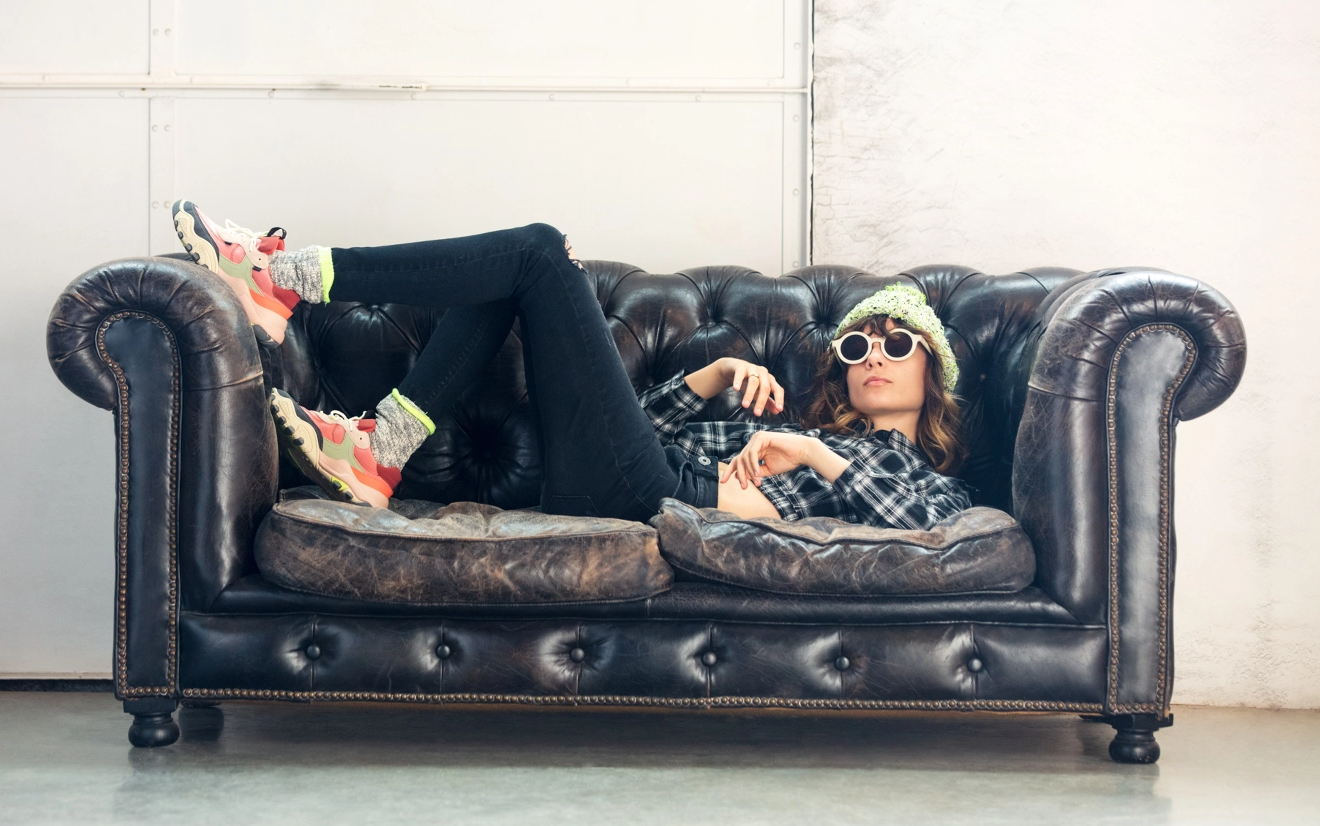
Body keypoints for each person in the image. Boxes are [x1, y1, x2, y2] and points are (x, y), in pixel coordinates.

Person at [170, 200, 973, 529]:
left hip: (672, 505)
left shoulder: (932, 484)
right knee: (520, 271)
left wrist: (813, 452)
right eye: (858, 344)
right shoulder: (783, 427)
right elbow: (636, 429)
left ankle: (287, 280)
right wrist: (714, 377)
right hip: (647, 481)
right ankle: (380, 453)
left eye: (897, 343)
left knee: (537, 251)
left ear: (930, 371)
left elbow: (915, 529)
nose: (874, 356)